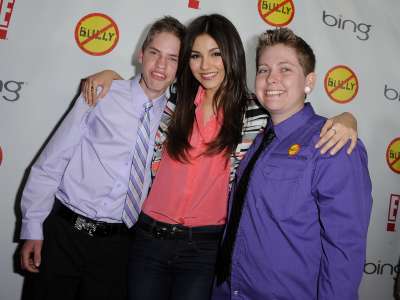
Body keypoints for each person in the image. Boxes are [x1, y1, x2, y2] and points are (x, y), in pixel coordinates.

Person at [82, 15, 359, 300]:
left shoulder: (256, 113)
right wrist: (110, 77)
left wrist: (347, 118)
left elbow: (295, 116)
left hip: (203, 249)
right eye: (196, 56)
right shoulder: (174, 99)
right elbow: (140, 88)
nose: (206, 66)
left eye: (216, 54)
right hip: (149, 239)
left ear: (231, 55)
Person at [19, 16, 185, 300]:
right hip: (64, 234)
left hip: (119, 248)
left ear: (181, 68)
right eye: (155, 53)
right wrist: (32, 227)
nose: (161, 66)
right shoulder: (101, 93)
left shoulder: (179, 119)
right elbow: (53, 161)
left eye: (172, 59)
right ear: (141, 54)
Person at [213, 28, 372, 300]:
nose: (271, 78)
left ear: (308, 81)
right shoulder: (258, 138)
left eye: (285, 69)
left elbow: (344, 249)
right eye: (263, 70)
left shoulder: (332, 143)